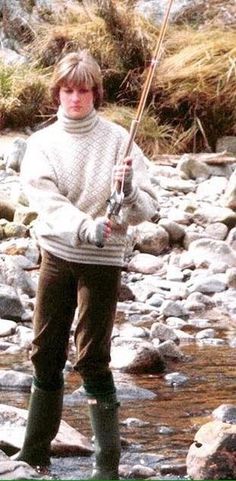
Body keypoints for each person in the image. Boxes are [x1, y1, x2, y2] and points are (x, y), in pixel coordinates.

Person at [14, 50, 158, 479]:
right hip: (57, 253)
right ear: (57, 93)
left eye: (84, 91)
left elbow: (148, 209)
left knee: (93, 358)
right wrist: (85, 227)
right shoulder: (41, 144)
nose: (75, 99)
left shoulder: (120, 140)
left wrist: (129, 191)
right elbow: (45, 201)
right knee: (44, 353)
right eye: (68, 90)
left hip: (103, 261)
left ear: (96, 93)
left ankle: (107, 467)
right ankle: (34, 454)